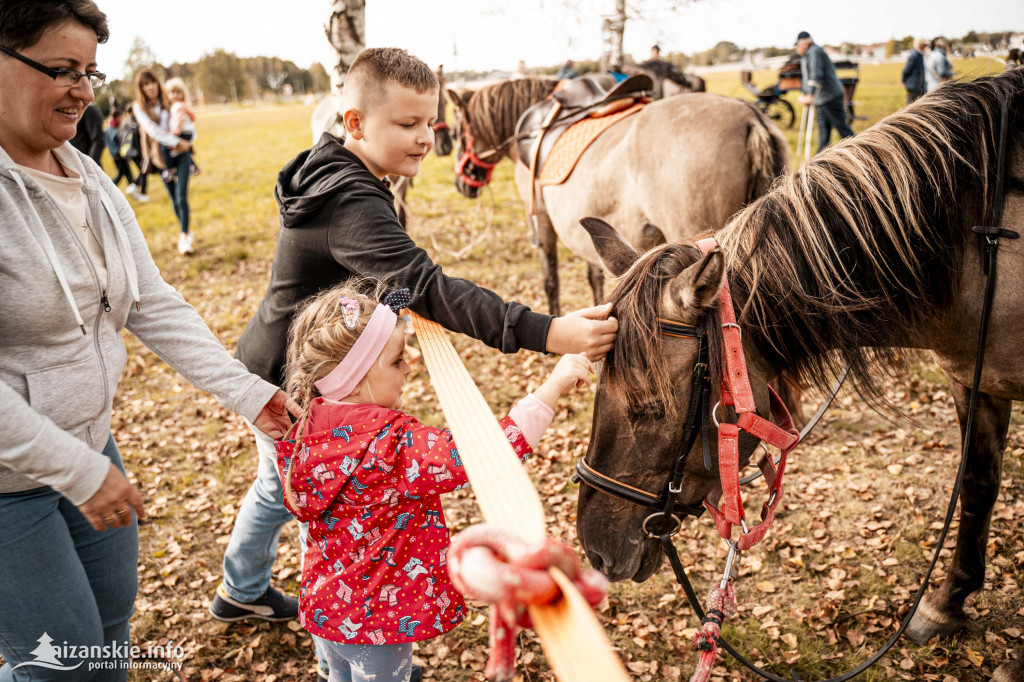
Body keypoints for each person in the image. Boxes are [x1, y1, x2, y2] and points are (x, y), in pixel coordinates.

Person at [209, 47, 617, 681]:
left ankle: (258, 590)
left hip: (305, 364)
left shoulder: (344, 168)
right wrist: (547, 332)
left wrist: (393, 316)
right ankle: (270, 593)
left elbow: (392, 285)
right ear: (355, 122)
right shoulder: (351, 200)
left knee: (285, 487)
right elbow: (426, 286)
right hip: (294, 382)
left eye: (430, 122)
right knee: (280, 486)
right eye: (407, 124)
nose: (426, 139)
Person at [0, 2, 299, 680]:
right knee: (59, 663)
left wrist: (250, 394)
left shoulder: (85, 173)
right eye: (62, 70)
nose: (83, 90)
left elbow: (150, 302)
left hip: (90, 446)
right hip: (10, 487)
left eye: (90, 73)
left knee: (105, 639)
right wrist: (78, 472)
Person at [276, 282, 593, 682]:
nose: (409, 367)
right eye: (396, 361)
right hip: (378, 628)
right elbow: (487, 454)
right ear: (354, 380)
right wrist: (553, 386)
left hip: (327, 612)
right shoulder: (391, 446)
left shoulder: (306, 428)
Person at [131, 68, 195, 255]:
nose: (150, 87)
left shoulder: (168, 100)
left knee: (182, 196)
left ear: (157, 83)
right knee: (174, 197)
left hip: (182, 155)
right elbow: (153, 131)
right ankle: (186, 230)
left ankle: (184, 237)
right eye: (145, 84)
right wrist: (176, 142)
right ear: (141, 88)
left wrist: (188, 143)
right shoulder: (139, 107)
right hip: (161, 158)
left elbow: (187, 122)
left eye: (152, 82)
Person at [795, 31, 854, 154]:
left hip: (829, 96)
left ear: (805, 43)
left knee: (843, 129)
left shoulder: (815, 52)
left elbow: (816, 76)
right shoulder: (808, 54)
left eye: (798, 45)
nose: (797, 48)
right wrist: (806, 93)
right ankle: (820, 159)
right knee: (824, 132)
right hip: (822, 98)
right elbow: (808, 77)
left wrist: (810, 95)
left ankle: (862, 151)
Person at [159, 77, 201, 182]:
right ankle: (193, 166)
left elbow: (179, 121)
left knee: (165, 147)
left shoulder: (178, 106)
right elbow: (193, 116)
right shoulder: (181, 105)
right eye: (172, 93)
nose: (175, 95)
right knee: (183, 149)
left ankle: (169, 170)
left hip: (182, 132)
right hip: (188, 132)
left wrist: (173, 134)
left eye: (178, 92)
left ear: (183, 94)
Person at [104, 106, 140, 198]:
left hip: (116, 155)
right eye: (121, 116)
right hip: (119, 155)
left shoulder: (109, 128)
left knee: (128, 174)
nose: (122, 118)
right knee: (122, 174)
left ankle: (134, 191)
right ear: (117, 117)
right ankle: (108, 190)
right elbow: (120, 142)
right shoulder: (114, 129)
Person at [117, 107, 150, 202]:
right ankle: (140, 191)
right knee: (144, 171)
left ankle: (135, 187)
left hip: (130, 152)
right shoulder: (135, 123)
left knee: (143, 170)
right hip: (137, 152)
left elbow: (120, 136)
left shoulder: (126, 123)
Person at [901, 38, 928, 104]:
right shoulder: (914, 56)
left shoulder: (920, 55)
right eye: (924, 45)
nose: (925, 47)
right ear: (920, 45)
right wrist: (903, 80)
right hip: (914, 87)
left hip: (920, 87)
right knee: (910, 108)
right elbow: (906, 70)